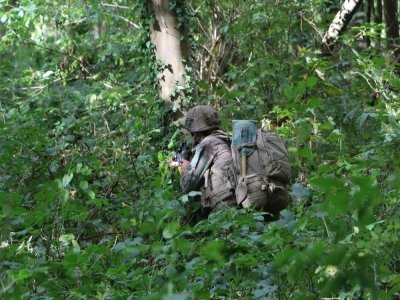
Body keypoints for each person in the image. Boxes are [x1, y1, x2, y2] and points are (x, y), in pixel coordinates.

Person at [170, 105, 237, 214]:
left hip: (226, 210)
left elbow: (186, 186)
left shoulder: (209, 143)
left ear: (195, 131)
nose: (192, 136)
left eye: (192, 132)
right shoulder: (225, 138)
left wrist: (185, 166)